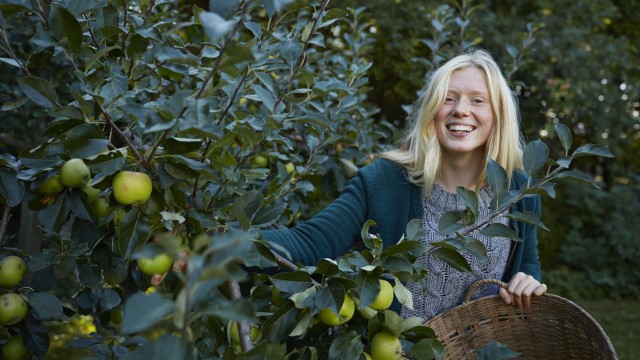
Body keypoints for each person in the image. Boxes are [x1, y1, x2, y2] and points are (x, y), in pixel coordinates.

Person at [262, 48, 547, 322]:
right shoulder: (383, 182)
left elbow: (526, 263)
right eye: (448, 98)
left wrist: (528, 279)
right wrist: (231, 242)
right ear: (432, 110)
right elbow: (311, 243)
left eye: (477, 100)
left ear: (498, 115)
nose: (460, 110)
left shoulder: (518, 191)